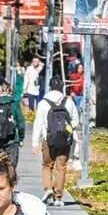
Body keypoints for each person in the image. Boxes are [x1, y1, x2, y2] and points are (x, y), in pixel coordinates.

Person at [32, 75, 79, 206]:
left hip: (48, 139)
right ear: (62, 87)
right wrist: (68, 130)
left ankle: (48, 189)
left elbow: (38, 123)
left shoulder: (43, 103)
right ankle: (58, 197)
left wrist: (35, 142)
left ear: (50, 87)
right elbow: (76, 120)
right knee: (61, 167)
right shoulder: (68, 102)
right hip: (64, 139)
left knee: (47, 165)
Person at [0, 80, 26, 167]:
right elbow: (21, 123)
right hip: (12, 139)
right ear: (9, 91)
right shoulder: (14, 105)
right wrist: (21, 138)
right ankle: (10, 179)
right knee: (11, 166)